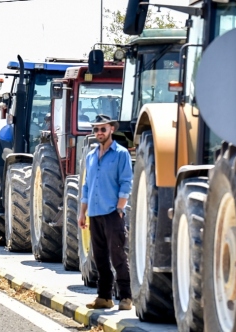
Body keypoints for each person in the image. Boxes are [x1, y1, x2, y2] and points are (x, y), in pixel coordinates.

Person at [78, 114, 133, 311]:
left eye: (103, 129)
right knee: (99, 256)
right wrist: (82, 213)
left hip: (112, 212)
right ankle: (104, 297)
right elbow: (86, 186)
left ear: (112, 129)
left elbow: (126, 182)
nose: (99, 133)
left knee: (117, 255)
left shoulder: (121, 153)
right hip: (94, 213)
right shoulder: (91, 156)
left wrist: (120, 208)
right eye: (96, 129)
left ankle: (126, 297)